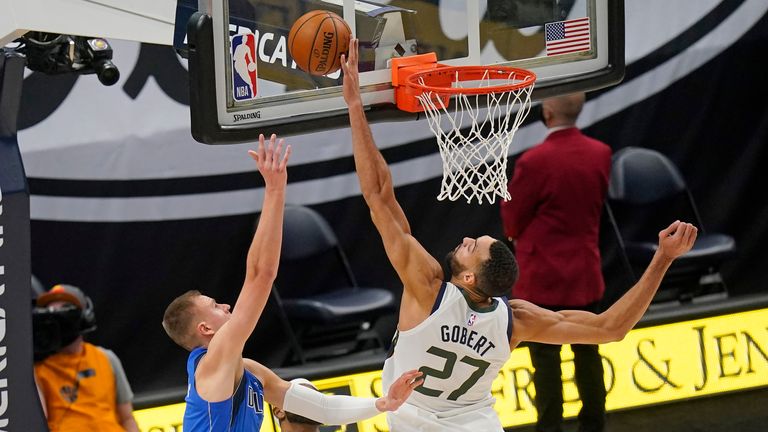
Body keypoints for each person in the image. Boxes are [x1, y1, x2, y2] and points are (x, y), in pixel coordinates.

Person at [340, 38, 697, 431]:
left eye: (474, 247)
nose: (467, 239)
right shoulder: (514, 321)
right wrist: (662, 259)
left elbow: (378, 195)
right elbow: (611, 329)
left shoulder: (427, 287)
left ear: (470, 277)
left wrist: (356, 105)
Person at [161, 134, 422, 431]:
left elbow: (320, 407)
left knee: (302, 388)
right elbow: (261, 275)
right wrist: (274, 190)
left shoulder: (249, 372)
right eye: (214, 306)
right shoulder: (211, 363)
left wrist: (382, 403)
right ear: (205, 329)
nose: (226, 304)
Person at [500, 92, 611, 432]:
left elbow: (512, 222)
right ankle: (594, 426)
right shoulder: (601, 153)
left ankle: (549, 429)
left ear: (546, 111)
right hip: (584, 272)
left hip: (541, 277)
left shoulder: (535, 161)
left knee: (545, 361)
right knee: (588, 355)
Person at [34, 283, 139, 432]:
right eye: (50, 310)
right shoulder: (38, 369)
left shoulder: (106, 358)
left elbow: (127, 418)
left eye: (64, 309)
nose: (56, 315)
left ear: (84, 316)